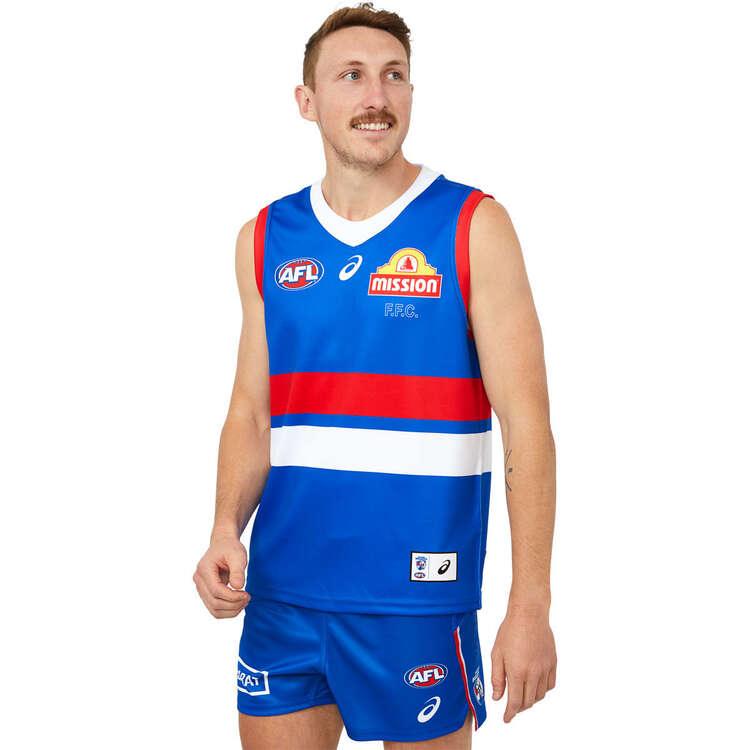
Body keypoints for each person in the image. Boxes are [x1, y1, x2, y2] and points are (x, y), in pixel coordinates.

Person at [193, 3, 557, 748]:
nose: (377, 97)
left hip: (416, 601)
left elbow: (527, 426)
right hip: (283, 595)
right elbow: (252, 413)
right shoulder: (264, 238)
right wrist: (225, 528)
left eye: (394, 76)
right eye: (352, 76)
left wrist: (530, 604)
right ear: (307, 101)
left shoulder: (472, 226)